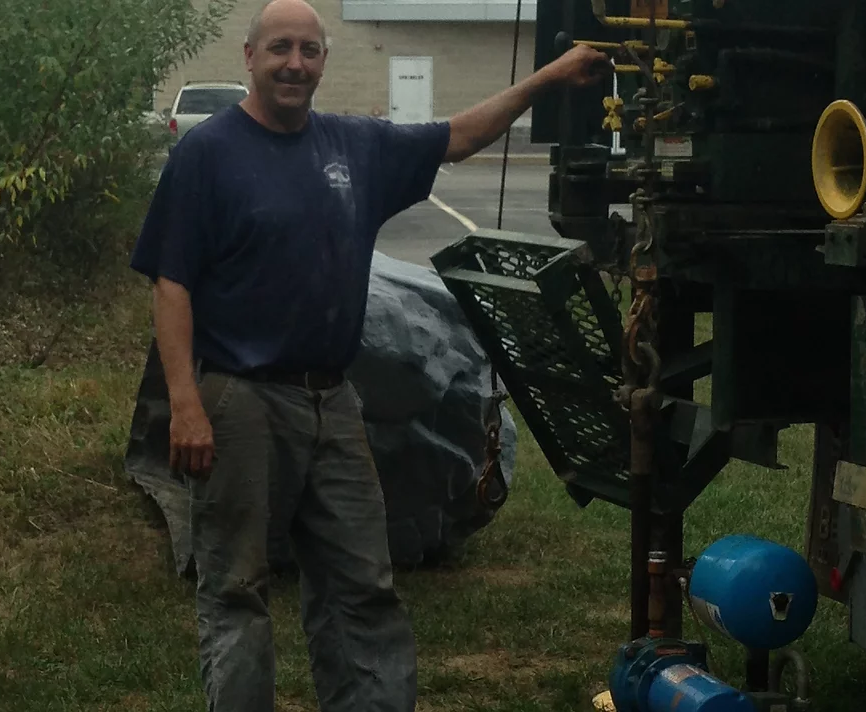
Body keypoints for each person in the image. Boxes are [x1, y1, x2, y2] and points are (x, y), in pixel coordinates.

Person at [128, 1, 610, 709]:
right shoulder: (207, 153)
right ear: (249, 57)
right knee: (235, 587)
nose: (295, 63)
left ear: (325, 61)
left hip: (333, 398)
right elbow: (171, 285)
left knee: (362, 583)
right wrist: (185, 405)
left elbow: (457, 137)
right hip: (241, 398)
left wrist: (547, 78)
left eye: (309, 50)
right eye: (280, 48)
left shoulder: (354, 146)